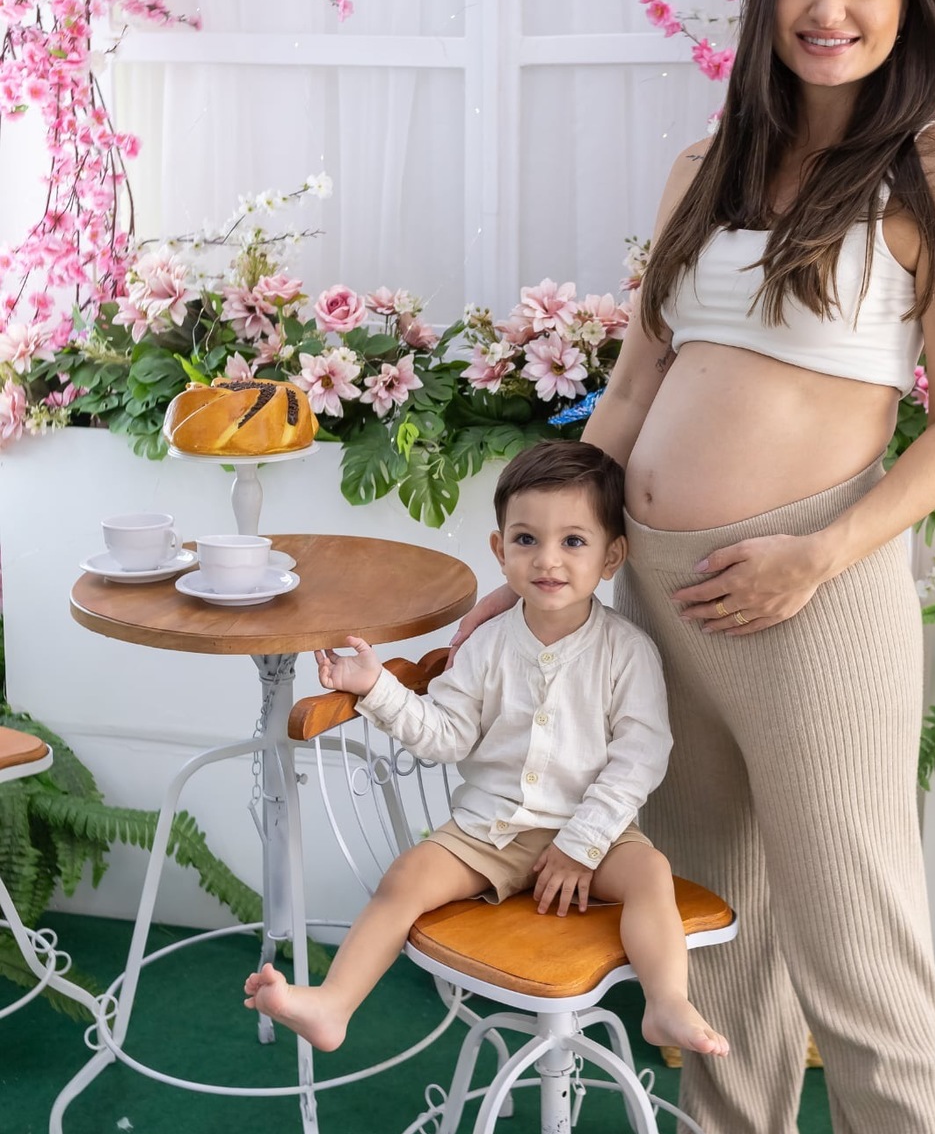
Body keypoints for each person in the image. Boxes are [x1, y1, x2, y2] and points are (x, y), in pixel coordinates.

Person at [449, 0, 935, 1134]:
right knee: (715, 917)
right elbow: (633, 392)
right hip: (661, 590)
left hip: (813, 603)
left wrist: (822, 552)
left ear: (905, 6)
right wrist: (548, 561)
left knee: (871, 979)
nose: (826, 10)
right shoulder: (708, 166)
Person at [244, 440, 729, 1062]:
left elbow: (640, 758)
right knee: (407, 877)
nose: (547, 560)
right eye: (526, 540)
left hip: (593, 835)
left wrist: (581, 845)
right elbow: (447, 734)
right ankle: (332, 1004)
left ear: (612, 558)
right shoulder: (486, 645)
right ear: (500, 550)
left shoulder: (626, 651)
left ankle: (665, 1004)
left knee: (651, 873)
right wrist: (376, 689)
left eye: (573, 542)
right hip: (488, 832)